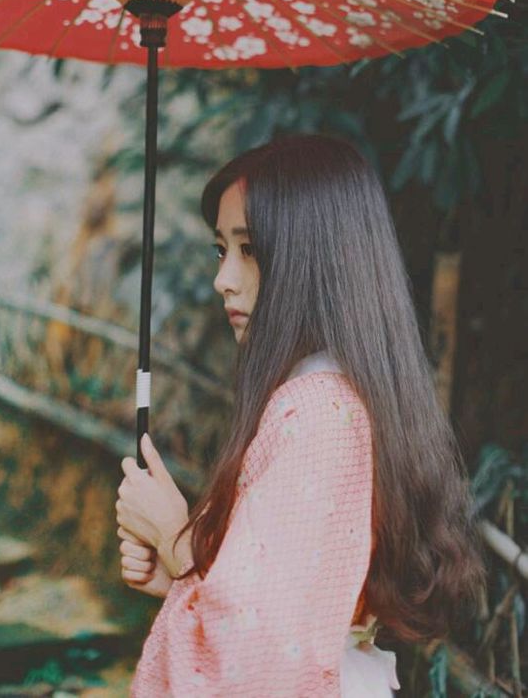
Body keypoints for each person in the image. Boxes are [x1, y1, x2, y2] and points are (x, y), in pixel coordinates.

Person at [116, 132, 486, 697]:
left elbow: (256, 658)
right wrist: (182, 580)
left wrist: (173, 537)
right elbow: (289, 610)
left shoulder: (316, 413)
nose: (223, 279)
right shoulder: (342, 396)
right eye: (221, 250)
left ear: (311, 257)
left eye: (249, 249)